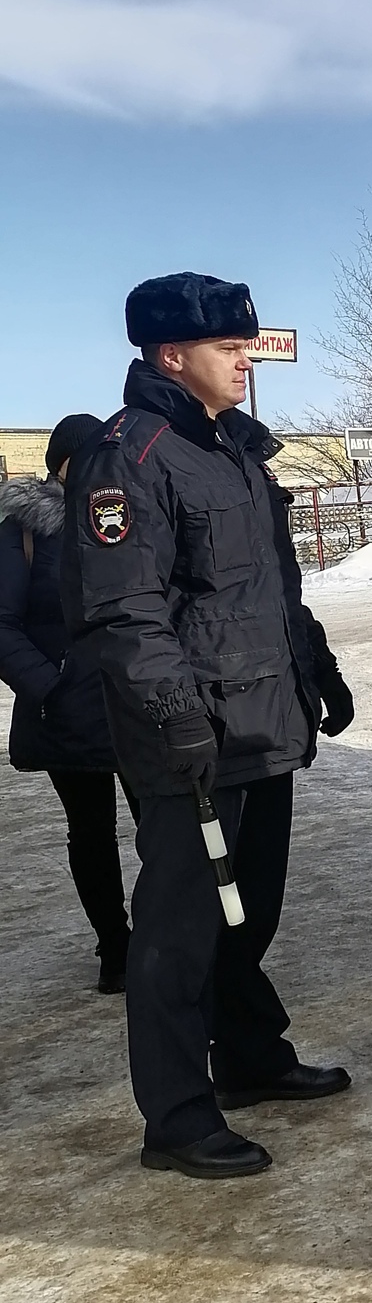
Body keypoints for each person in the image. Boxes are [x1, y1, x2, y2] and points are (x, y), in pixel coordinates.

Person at [61, 274, 357, 1180]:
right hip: (191, 741)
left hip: (263, 725)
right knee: (180, 932)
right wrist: (172, 717)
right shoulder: (131, 458)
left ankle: (252, 1059)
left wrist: (320, 667)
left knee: (247, 913)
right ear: (168, 356)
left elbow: (270, 589)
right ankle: (178, 1118)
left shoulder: (234, 450)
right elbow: (124, 614)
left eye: (246, 346)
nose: (245, 361)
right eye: (228, 349)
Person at [0, 413, 137, 993]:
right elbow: (2, 624)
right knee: (92, 832)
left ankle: (161, 938)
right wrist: (50, 686)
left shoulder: (123, 520)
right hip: (66, 711)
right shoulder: (24, 530)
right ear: (61, 464)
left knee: (164, 825)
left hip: (136, 701)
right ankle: (115, 946)